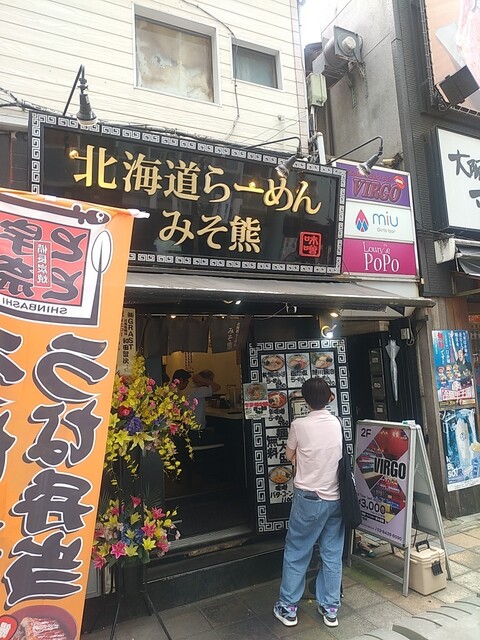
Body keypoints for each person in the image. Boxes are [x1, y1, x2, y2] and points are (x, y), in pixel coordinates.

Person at [273, 377, 344, 629]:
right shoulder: (336, 422)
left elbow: (289, 454)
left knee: (297, 551)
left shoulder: (299, 425)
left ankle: (288, 607)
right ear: (329, 398)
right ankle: (330, 607)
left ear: (305, 399)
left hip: (309, 498)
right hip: (335, 498)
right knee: (332, 554)